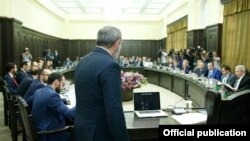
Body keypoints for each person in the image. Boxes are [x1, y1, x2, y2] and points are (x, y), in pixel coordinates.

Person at [74, 26, 129, 141]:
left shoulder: (83, 60)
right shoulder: (110, 65)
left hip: (82, 129)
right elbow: (114, 109)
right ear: (118, 43)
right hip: (99, 133)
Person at [31, 72, 75, 141]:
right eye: (63, 84)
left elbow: (45, 101)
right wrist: (80, 105)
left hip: (40, 129)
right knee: (77, 132)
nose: (63, 87)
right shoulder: (52, 95)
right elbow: (70, 114)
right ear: (56, 82)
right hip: (51, 134)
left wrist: (62, 100)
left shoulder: (38, 91)